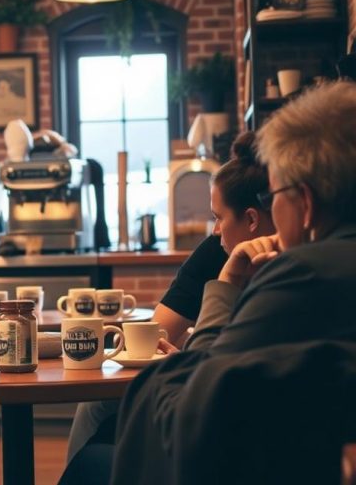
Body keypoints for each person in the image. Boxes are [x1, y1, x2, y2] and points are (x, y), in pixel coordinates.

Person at [92, 81, 356, 483]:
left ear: (305, 203)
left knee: (90, 462)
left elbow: (194, 407)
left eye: (274, 195)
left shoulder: (302, 275)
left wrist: (227, 282)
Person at [63, 131, 275, 464]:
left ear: (251, 219)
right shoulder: (215, 252)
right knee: (98, 409)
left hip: (233, 415)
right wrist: (183, 357)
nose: (214, 230)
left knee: (96, 452)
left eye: (218, 218)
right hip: (214, 394)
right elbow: (155, 337)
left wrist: (190, 361)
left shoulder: (283, 268)